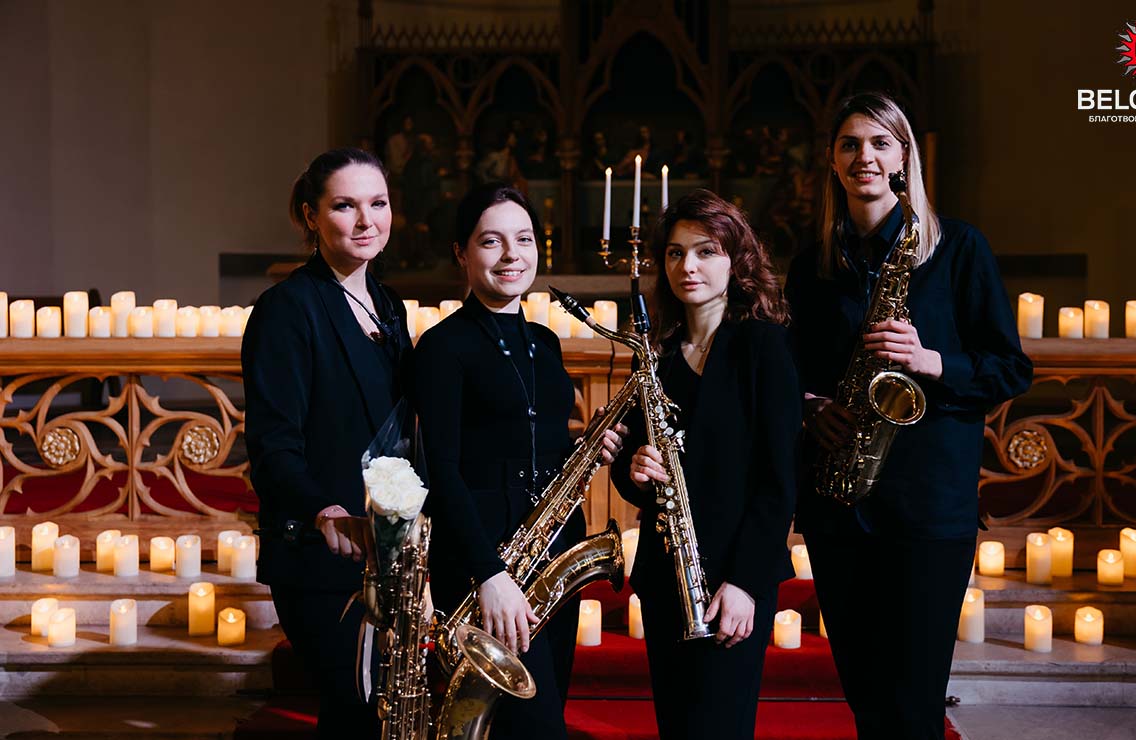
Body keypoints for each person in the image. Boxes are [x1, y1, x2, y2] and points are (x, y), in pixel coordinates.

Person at [785, 92, 1033, 739]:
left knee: (915, 705)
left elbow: (1010, 368)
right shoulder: (811, 267)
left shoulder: (957, 249)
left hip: (927, 508)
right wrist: (809, 407)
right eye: (849, 144)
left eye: (879, 143)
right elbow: (789, 370)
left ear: (904, 158)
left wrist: (932, 361)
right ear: (832, 162)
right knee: (866, 699)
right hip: (841, 506)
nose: (864, 156)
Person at [409, 183, 625, 740]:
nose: (512, 255)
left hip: (549, 556)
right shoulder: (442, 347)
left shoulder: (544, 342)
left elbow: (533, 445)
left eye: (524, 239)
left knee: (544, 712)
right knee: (533, 727)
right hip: (487, 559)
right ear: (461, 253)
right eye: (491, 241)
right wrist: (490, 574)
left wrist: (587, 451)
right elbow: (441, 471)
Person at [610, 189, 801, 740]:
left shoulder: (763, 347)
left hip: (731, 580)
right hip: (666, 577)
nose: (687, 266)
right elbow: (635, 471)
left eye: (705, 251)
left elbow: (778, 482)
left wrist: (745, 582)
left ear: (736, 261)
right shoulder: (659, 357)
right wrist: (635, 469)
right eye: (675, 253)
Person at [243, 147, 411, 738]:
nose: (367, 221)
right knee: (354, 713)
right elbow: (272, 444)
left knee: (380, 719)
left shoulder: (388, 305)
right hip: (323, 553)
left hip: (387, 548)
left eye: (378, 203)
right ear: (310, 216)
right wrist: (323, 509)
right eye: (345, 206)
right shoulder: (286, 308)